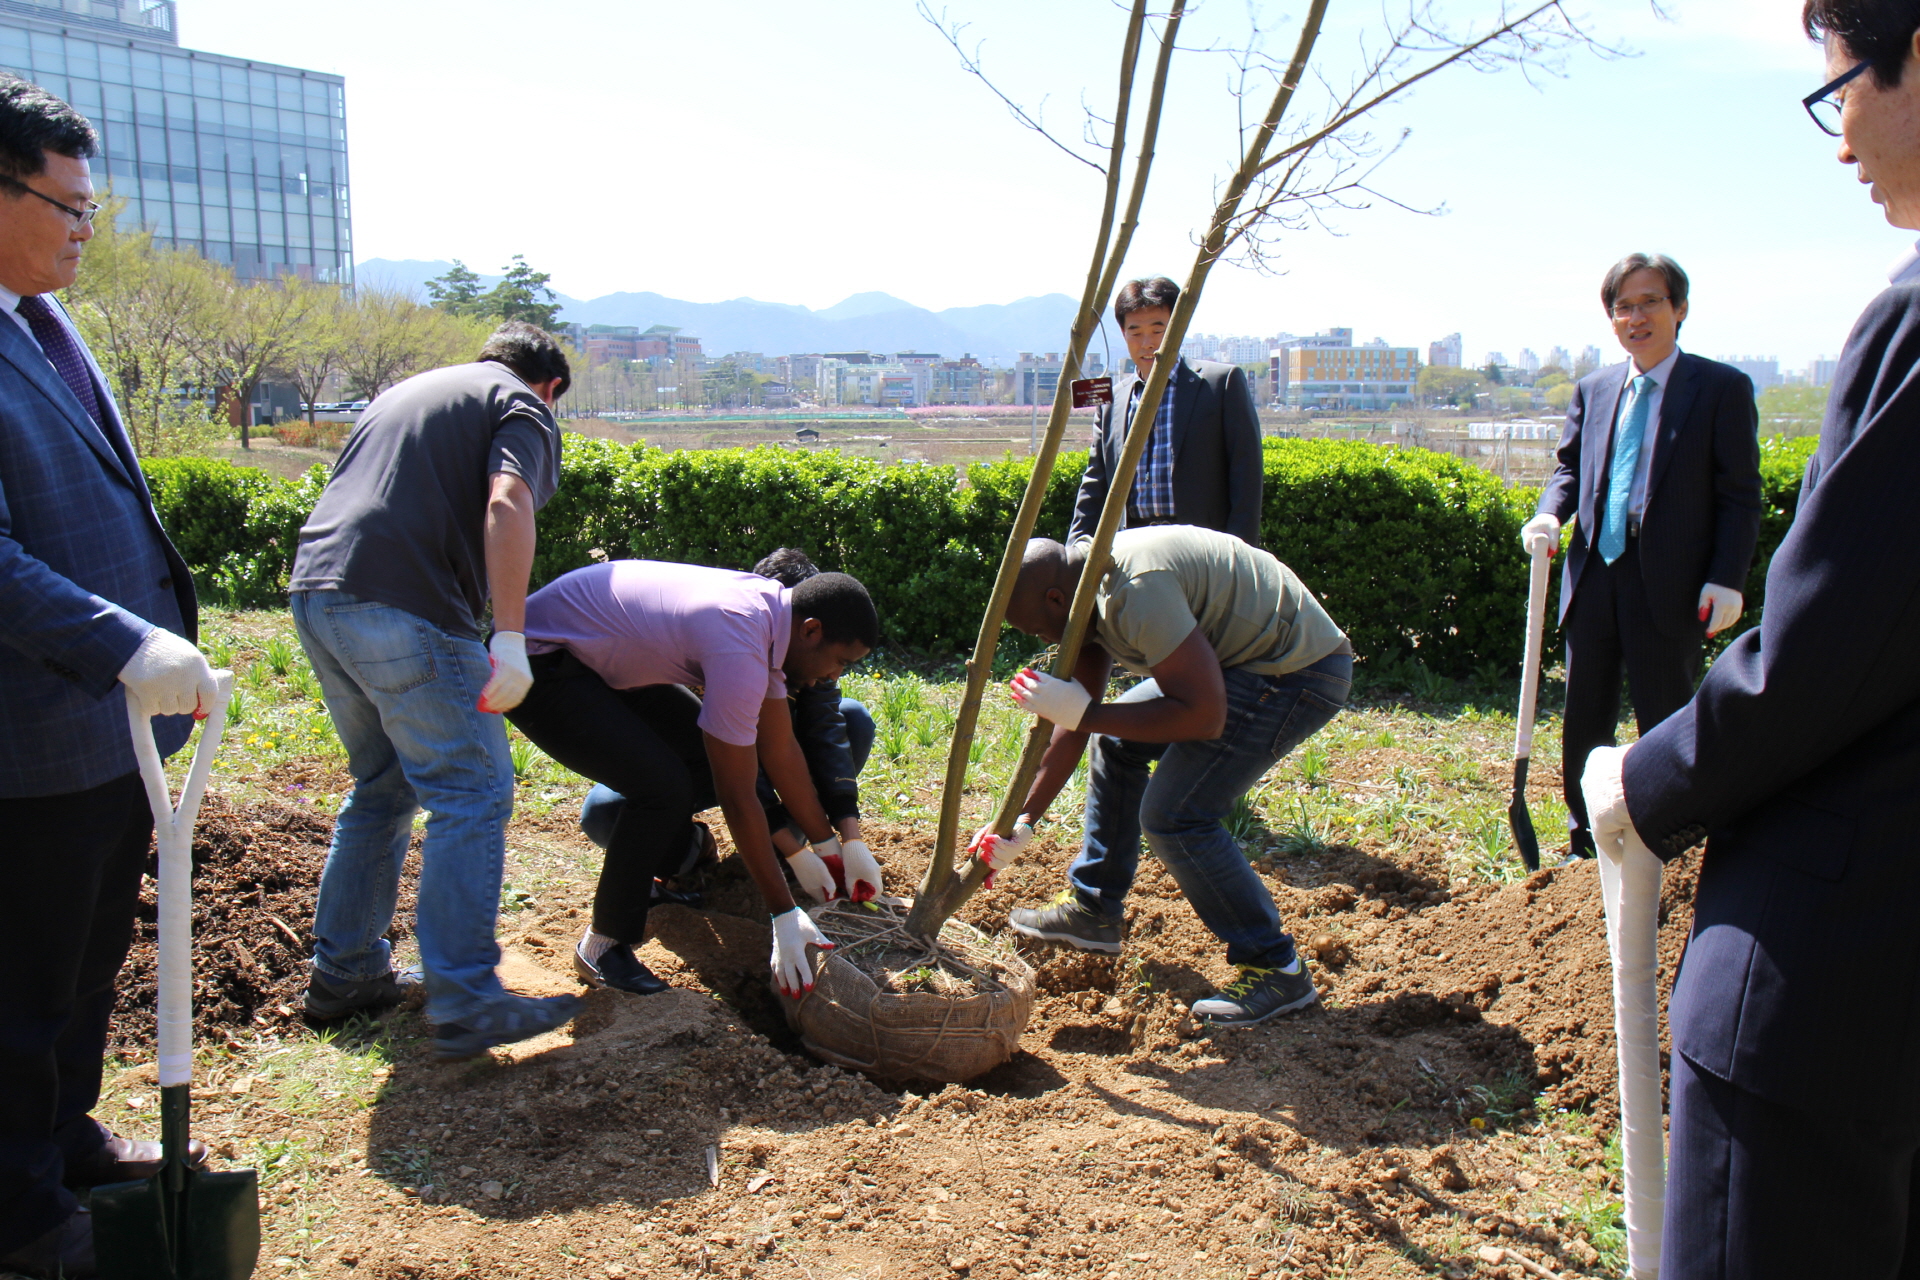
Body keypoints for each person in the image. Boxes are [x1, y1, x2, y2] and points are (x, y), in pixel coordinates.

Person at [1582, 7, 1920, 1273]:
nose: (1839, 139)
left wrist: (1649, 779)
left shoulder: (1908, 323)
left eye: (1835, 86)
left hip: (1831, 965)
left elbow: (1831, 645)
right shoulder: (1594, 388)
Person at [0, 74, 215, 1280]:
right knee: (24, 980)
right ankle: (20, 1211)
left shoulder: (45, 315)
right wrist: (124, 642)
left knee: (86, 960)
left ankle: (65, 1135)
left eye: (94, 205)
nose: (87, 226)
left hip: (108, 731)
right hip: (27, 730)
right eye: (65, 203)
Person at [288, 321, 582, 1062]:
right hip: (405, 607)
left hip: (320, 593)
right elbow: (507, 502)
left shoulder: (406, 394)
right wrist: (509, 636)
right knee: (473, 789)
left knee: (384, 784)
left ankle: (345, 975)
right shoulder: (523, 405)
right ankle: (467, 998)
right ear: (549, 385)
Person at [992, 526, 1352, 1027]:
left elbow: (1204, 715)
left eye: (1037, 631)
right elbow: (1073, 727)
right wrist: (1020, 821)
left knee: (1175, 815)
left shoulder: (1134, 590)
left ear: (1055, 599)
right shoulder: (1085, 597)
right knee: (1115, 741)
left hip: (1293, 669)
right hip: (1240, 663)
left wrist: (1087, 714)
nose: (1042, 641)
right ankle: (1094, 910)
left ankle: (1276, 968)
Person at [507, 562, 881, 999]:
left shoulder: (770, 620)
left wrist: (834, 849)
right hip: (540, 658)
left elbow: (781, 753)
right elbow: (738, 795)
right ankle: (604, 944)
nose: (836, 676)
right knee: (661, 788)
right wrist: (784, 912)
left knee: (693, 763)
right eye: (841, 661)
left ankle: (664, 867)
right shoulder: (740, 643)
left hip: (596, 659)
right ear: (812, 631)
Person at [1521, 254, 1761, 859]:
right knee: (1585, 715)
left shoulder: (1720, 389)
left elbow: (1740, 494)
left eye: (1650, 302)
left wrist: (1726, 579)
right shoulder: (1595, 388)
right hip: (1594, 575)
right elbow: (1570, 467)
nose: (1636, 316)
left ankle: (1669, 836)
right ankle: (1584, 839)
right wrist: (1552, 511)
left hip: (1671, 584)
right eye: (1623, 306)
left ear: (1679, 309)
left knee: (1666, 717)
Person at [576, 548, 878, 906]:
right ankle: (691, 854)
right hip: (705, 766)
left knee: (852, 718)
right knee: (604, 811)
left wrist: (845, 839)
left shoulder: (814, 652)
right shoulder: (732, 642)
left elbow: (820, 734)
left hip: (773, 765)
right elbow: (734, 775)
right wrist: (792, 872)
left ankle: (781, 843)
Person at [1068, 277, 1264, 547]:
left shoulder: (1220, 384)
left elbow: (1247, 478)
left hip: (1202, 547)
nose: (1147, 343)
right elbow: (1094, 484)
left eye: (1157, 330)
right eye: (1135, 332)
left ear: (1177, 328)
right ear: (1123, 334)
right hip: (1130, 546)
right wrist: (1075, 549)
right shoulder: (1113, 401)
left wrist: (1239, 554)